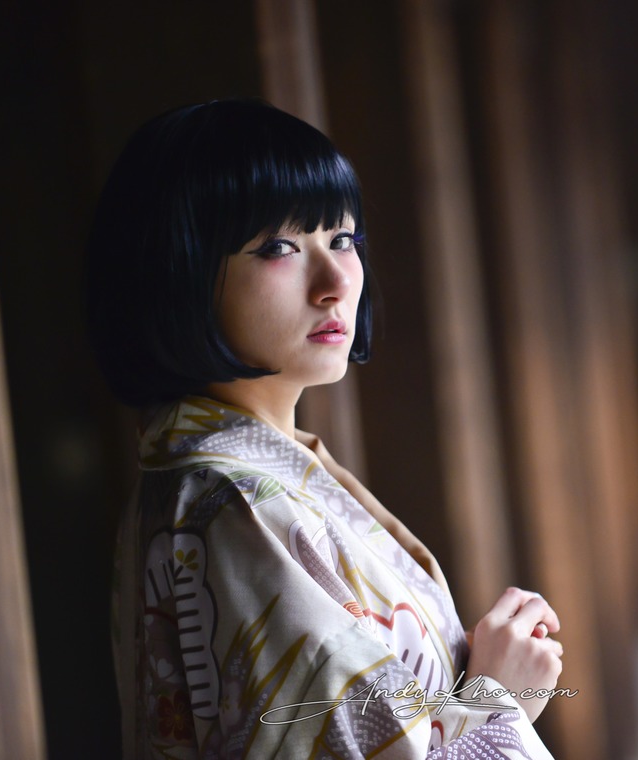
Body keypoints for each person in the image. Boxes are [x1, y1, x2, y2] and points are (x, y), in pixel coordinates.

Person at [86, 98, 563, 759]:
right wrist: (495, 701)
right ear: (183, 271)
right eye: (280, 247)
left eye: (342, 239)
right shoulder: (235, 505)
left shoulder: (232, 478)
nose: (337, 280)